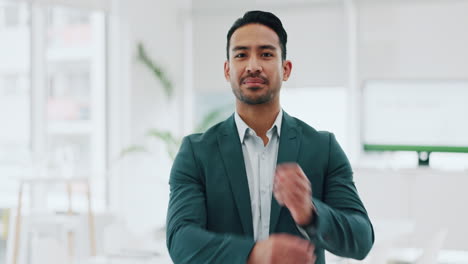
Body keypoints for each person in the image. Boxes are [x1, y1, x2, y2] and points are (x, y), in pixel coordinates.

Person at [166, 10, 374, 264]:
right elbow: (180, 240)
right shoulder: (196, 152)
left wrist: (310, 213)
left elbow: (361, 239)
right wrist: (254, 254)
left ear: (285, 69)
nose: (253, 66)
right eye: (241, 55)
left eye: (266, 54)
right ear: (227, 70)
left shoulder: (323, 148)